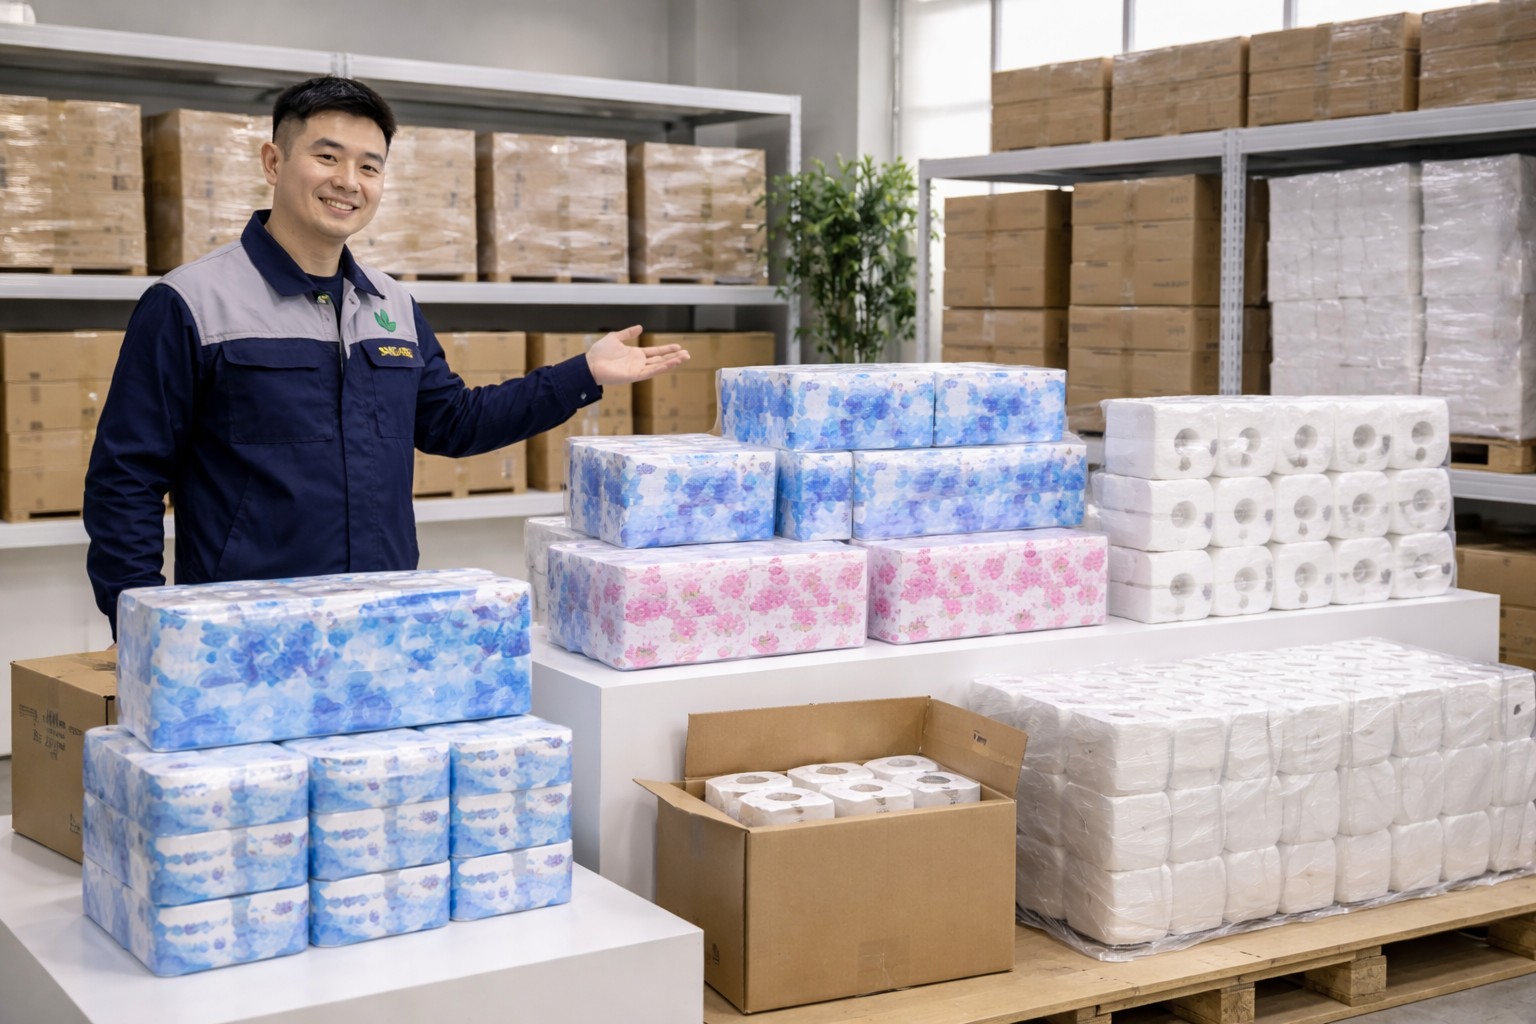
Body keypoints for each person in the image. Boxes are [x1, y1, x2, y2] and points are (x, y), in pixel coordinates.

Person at [84, 76, 688, 636]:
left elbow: (453, 421)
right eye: (327, 157)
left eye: (369, 166)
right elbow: (126, 478)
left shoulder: (390, 303)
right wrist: (136, 621)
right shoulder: (190, 302)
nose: (349, 180)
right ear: (274, 162)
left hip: (385, 616)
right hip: (244, 631)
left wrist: (582, 373)